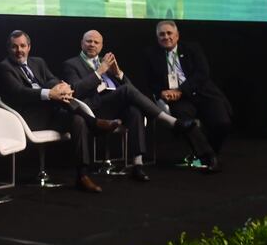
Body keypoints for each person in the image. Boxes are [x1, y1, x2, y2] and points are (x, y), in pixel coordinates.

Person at [61, 30, 218, 182]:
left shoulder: (106, 62)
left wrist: (118, 74)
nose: (92, 44)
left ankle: (137, 165)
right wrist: (99, 72)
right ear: (82, 43)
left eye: (96, 42)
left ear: (101, 46)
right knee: (128, 92)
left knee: (135, 111)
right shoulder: (72, 64)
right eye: (89, 41)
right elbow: (76, 91)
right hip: (94, 109)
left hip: (115, 104)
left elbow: (130, 89)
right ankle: (170, 121)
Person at [0, 30, 121, 193]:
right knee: (60, 99)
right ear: (8, 49)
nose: (19, 50)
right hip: (28, 118)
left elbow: (51, 78)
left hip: (51, 113)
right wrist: (50, 93)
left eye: (22, 46)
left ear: (29, 47)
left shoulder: (38, 62)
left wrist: (60, 87)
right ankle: (94, 123)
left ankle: (82, 176)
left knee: (78, 120)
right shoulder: (4, 67)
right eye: (14, 47)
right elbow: (19, 93)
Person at [145, 20, 232, 159]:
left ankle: (210, 151)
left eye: (169, 33)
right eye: (162, 34)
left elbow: (202, 73)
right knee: (186, 123)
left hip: (202, 92)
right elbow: (150, 81)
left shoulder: (192, 48)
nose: (166, 37)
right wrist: (161, 92)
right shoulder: (152, 54)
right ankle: (208, 157)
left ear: (177, 35)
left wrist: (180, 90)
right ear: (157, 38)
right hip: (178, 101)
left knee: (222, 122)